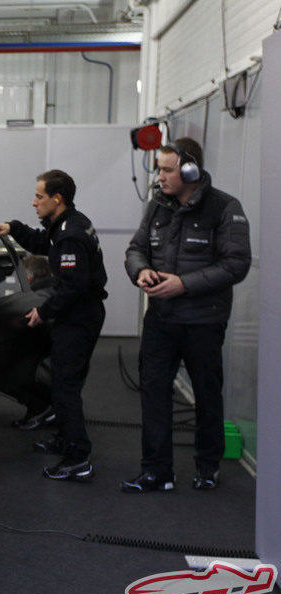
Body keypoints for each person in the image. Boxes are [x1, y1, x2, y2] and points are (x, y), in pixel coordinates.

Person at [121, 137, 251, 492]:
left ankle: (207, 467)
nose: (159, 176)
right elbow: (136, 249)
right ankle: (156, 471)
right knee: (153, 392)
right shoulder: (157, 206)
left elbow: (236, 264)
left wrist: (185, 284)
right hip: (161, 320)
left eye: (166, 169)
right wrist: (141, 271)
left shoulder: (225, 207)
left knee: (207, 395)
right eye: (159, 168)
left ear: (190, 170)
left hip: (203, 321)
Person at [0, 169, 107, 481]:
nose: (34, 202)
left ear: (57, 199)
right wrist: (13, 228)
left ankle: (78, 457)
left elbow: (71, 287)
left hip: (79, 317)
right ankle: (66, 438)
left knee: (66, 385)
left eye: (39, 196)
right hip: (76, 313)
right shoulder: (65, 225)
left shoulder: (70, 235)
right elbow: (42, 242)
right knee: (63, 382)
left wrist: (43, 311)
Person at [8, 254, 55, 431]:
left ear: (28, 278)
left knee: (2, 369)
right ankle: (40, 407)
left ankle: (42, 408)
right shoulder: (52, 289)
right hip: (55, 361)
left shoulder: (39, 298)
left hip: (49, 367)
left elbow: (20, 323)